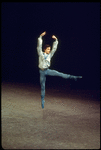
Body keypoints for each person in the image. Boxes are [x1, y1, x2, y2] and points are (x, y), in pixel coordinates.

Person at [37, 31, 82, 108]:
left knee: (59, 74)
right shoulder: (41, 54)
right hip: (41, 72)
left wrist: (56, 40)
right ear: (45, 49)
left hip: (47, 70)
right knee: (43, 86)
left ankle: (73, 77)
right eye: (48, 49)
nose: (49, 50)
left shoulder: (50, 55)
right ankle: (42, 100)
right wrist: (40, 37)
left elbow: (54, 49)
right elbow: (39, 46)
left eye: (49, 49)